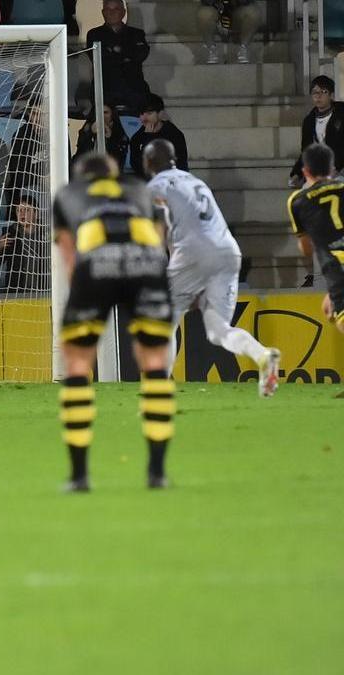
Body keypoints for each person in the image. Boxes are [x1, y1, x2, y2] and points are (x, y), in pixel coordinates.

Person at [54, 152, 174, 492]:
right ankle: (157, 473)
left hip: (96, 268)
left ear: (81, 178)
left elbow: (70, 257)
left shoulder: (68, 195)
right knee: (153, 365)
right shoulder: (141, 189)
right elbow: (160, 237)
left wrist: (86, 296)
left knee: (77, 365)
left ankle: (79, 477)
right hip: (148, 267)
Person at [144, 139, 281, 396]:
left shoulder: (156, 186)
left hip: (194, 253)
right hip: (228, 252)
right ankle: (263, 356)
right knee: (218, 331)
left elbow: (160, 228)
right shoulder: (196, 182)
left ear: (149, 162)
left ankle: (159, 388)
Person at [287, 143, 344, 335]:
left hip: (337, 267)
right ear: (332, 169)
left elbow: (306, 249)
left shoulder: (298, 201)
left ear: (305, 172)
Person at [84, 0, 151, 113]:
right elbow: (99, 58)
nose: (112, 13)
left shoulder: (136, 34)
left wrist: (114, 51)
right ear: (103, 12)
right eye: (108, 10)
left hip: (134, 90)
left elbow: (140, 55)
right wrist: (126, 55)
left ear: (123, 12)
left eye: (116, 9)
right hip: (105, 90)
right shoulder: (94, 34)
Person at [290, 76, 344, 189]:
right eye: (315, 92)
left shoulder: (341, 113)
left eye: (324, 92)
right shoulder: (309, 121)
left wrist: (338, 168)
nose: (318, 96)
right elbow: (307, 150)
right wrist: (297, 173)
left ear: (331, 95)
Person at [0, 194, 48, 292]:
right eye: (19, 210)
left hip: (43, 291)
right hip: (16, 292)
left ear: (36, 213)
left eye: (26, 210)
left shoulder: (47, 233)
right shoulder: (11, 233)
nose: (22, 214)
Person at [129, 94, 188, 176]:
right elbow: (138, 166)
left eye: (149, 113)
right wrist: (148, 137)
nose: (144, 118)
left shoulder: (174, 134)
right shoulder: (137, 138)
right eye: (141, 114)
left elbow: (181, 164)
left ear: (160, 114)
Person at [198, 0, 264, 64]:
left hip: (238, 11)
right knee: (204, 14)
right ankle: (211, 48)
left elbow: (246, 2)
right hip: (216, 11)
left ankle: (243, 48)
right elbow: (206, 2)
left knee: (253, 13)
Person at [75, 104, 129, 171]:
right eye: (98, 112)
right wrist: (90, 134)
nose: (102, 116)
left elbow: (120, 158)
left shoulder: (119, 134)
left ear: (112, 116)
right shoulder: (86, 130)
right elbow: (81, 153)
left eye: (105, 112)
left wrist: (110, 138)